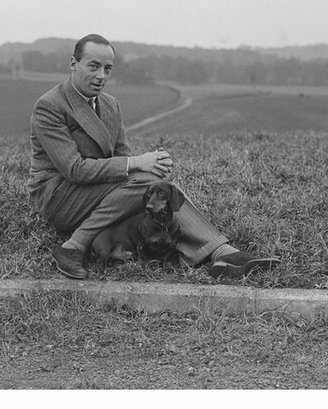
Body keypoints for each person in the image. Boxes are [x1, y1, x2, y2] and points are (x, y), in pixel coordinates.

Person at [27, 33, 278, 280]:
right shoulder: (50, 105)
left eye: (108, 68)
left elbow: (122, 161)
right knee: (147, 185)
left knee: (155, 185)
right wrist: (138, 164)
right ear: (73, 64)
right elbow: (74, 169)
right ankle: (74, 246)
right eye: (93, 66)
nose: (101, 76)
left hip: (98, 191)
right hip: (60, 196)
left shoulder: (110, 104)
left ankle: (222, 254)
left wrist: (152, 167)